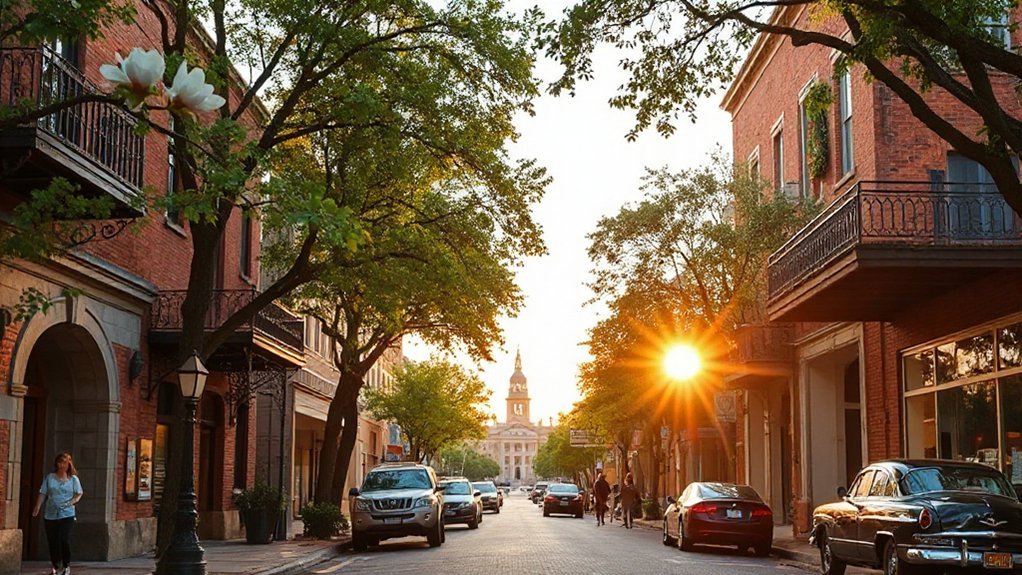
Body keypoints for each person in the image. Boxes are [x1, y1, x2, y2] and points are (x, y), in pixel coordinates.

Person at [33, 452, 83, 575]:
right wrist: (38, 506)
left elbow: (79, 493)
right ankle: (56, 565)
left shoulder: (73, 479)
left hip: (67, 514)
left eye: (64, 463)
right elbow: (43, 493)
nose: (62, 465)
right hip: (50, 514)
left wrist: (72, 502)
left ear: (69, 464)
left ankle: (66, 565)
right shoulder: (50, 477)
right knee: (53, 540)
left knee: (63, 538)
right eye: (60, 462)